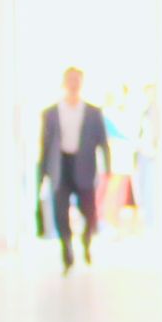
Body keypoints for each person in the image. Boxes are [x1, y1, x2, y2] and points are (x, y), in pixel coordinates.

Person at [38, 67, 111, 272]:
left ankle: (86, 241)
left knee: (89, 211)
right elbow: (45, 145)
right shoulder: (51, 113)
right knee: (60, 211)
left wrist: (108, 167)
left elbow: (103, 142)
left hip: (84, 166)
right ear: (64, 82)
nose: (73, 83)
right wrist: (42, 173)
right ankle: (67, 249)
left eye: (76, 79)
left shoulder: (93, 113)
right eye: (70, 79)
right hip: (60, 167)